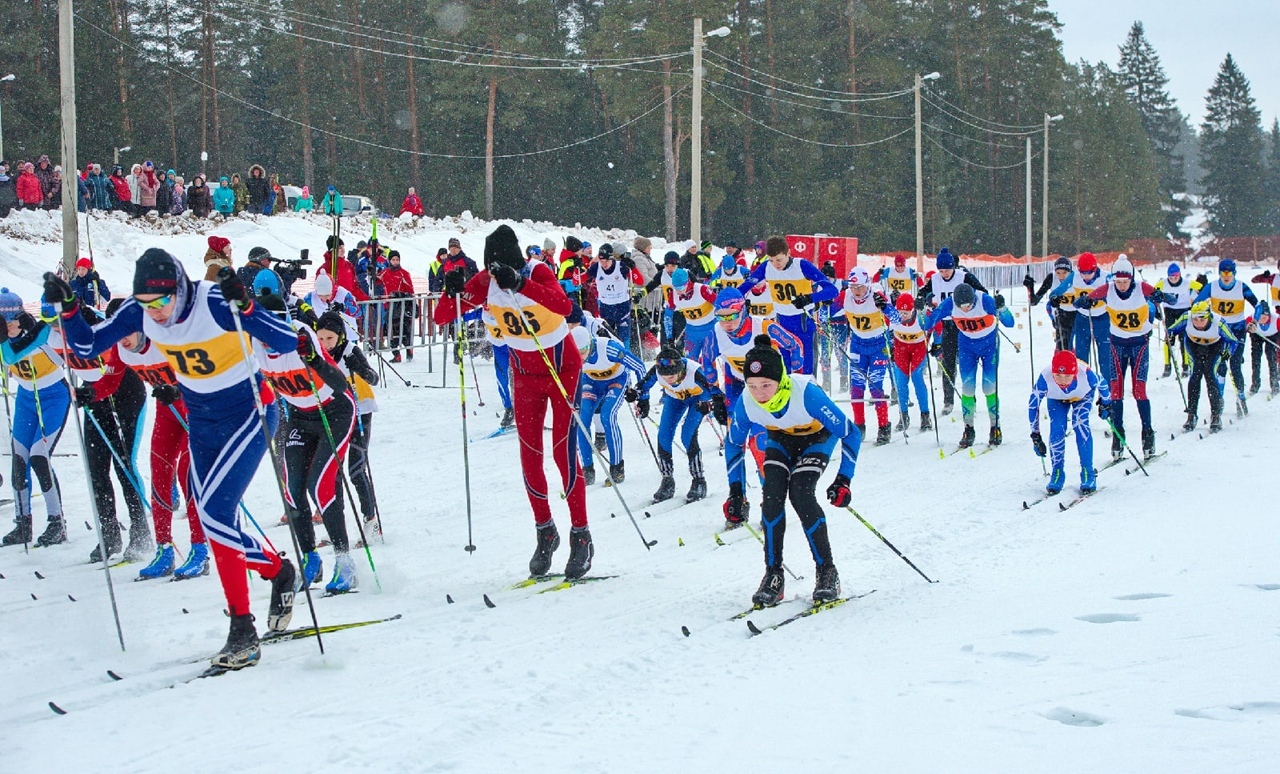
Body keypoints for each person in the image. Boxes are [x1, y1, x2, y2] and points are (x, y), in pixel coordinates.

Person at [52, 250, 299, 670]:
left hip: (249, 411)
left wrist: (249, 308)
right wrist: (71, 308)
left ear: (181, 289)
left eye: (162, 302)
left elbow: (286, 340)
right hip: (201, 418)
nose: (157, 313)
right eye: (147, 304)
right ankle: (278, 572)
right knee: (213, 516)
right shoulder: (139, 310)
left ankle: (243, 627)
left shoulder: (215, 302)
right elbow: (86, 344)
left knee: (216, 514)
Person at [435, 224, 593, 580]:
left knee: (562, 452)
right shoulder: (485, 281)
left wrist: (521, 284)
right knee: (529, 455)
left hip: (562, 370)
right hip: (524, 375)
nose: (494, 274)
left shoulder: (536, 270)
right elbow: (442, 316)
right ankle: (545, 530)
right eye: (491, 267)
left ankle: (581, 534)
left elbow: (564, 305)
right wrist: (453, 290)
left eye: (500, 267)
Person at [725, 335, 862, 607]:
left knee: (800, 492)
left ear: (781, 379)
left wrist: (843, 479)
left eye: (766, 384)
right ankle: (773, 575)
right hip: (782, 439)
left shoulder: (806, 392)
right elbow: (733, 444)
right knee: (772, 494)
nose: (760, 393)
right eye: (752, 386)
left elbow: (851, 433)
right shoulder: (746, 402)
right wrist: (736, 493)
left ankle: (827, 572)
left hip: (817, 439)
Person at [255, 295, 358, 594]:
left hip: (335, 411)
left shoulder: (302, 337)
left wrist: (312, 359)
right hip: (301, 416)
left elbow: (341, 384)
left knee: (321, 486)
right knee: (292, 487)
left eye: (277, 328)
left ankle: (344, 560)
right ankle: (311, 558)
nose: (270, 339)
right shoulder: (251, 345)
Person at [109, 298, 209, 580]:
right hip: (167, 411)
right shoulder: (122, 348)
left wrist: (178, 389)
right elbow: (110, 380)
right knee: (160, 474)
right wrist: (91, 393)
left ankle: (200, 550)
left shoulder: (166, 339)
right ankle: (164, 549)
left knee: (187, 475)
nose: (122, 339)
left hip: (197, 409)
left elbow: (201, 370)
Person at [56, 306, 152, 562]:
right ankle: (109, 535)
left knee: (124, 465)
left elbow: (119, 362)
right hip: (95, 397)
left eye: (60, 325)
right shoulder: (51, 334)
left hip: (126, 394)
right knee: (96, 468)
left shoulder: (96, 329)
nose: (57, 331)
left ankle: (140, 531)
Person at [0, 289, 71, 548]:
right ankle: (23, 522)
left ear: (19, 317)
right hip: (26, 399)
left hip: (54, 396)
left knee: (39, 455)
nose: (5, 327)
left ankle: (57, 522)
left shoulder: (38, 332)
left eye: (8, 322)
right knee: (19, 459)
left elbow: (11, 355)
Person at [1076, 255, 1163, 459]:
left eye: (1125, 281)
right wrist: (1086, 301)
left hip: (1139, 345)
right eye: (1118, 281)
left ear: (1131, 279)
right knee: (1116, 392)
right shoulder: (1109, 289)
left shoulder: (1141, 287)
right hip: (1117, 345)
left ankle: (1147, 434)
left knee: (1139, 390)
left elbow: (1159, 295)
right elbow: (1093, 296)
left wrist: (1162, 297)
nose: (1121, 285)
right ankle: (1118, 435)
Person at [921, 282, 1014, 448]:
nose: (964, 309)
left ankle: (995, 426)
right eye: (961, 307)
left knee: (988, 387)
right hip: (966, 346)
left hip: (989, 345)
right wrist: (923, 310)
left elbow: (1010, 322)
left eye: (969, 306)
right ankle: (968, 428)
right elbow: (926, 324)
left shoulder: (984, 300)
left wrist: (1002, 308)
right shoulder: (949, 303)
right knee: (968, 387)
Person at [314, 311, 381, 537]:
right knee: (332, 471)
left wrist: (359, 369)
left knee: (355, 468)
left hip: (361, 411)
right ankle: (335, 525)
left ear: (340, 335)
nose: (325, 343)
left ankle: (371, 519)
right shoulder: (317, 353)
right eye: (320, 338)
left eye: (329, 339)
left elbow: (374, 378)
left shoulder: (351, 350)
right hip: (335, 414)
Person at [628, 349, 722, 504]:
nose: (668, 380)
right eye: (665, 378)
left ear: (680, 370)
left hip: (697, 399)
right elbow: (644, 384)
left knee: (687, 435)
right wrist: (636, 394)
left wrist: (709, 404)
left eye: (671, 376)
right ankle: (667, 480)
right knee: (664, 436)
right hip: (675, 399)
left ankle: (699, 480)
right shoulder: (658, 370)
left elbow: (714, 390)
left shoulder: (695, 372)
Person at [739, 236, 838, 374]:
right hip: (782, 325)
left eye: (779, 259)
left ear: (788, 253)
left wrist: (809, 298)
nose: (776, 264)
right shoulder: (766, 267)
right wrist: (737, 303)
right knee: (786, 372)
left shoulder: (802, 265)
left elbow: (832, 291)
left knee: (807, 375)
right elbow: (743, 288)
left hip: (804, 323)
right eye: (772, 260)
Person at [570, 326, 645, 485]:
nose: (580, 356)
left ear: (590, 343)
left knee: (607, 416)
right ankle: (587, 469)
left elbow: (639, 366)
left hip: (616, 381)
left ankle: (617, 468)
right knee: (581, 420)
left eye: (583, 350)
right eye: (576, 352)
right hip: (591, 382)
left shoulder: (609, 349)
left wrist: (643, 396)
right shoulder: (571, 354)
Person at [917, 248, 988, 414]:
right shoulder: (935, 279)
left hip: (964, 324)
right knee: (947, 363)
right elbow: (922, 293)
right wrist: (922, 299)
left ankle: (970, 399)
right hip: (947, 326)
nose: (945, 274)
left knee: (965, 363)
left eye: (947, 270)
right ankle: (948, 401)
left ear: (953, 267)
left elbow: (982, 291)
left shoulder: (963, 276)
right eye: (941, 270)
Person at [1028, 350, 1110, 495]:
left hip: (1082, 396)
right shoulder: (1045, 377)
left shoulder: (1086, 374)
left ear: (1074, 373)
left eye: (1067, 376)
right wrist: (1035, 435)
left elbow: (1103, 385)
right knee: (1057, 429)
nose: (1062, 380)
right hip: (1056, 399)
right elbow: (1033, 406)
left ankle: (1088, 473)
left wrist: (1105, 403)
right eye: (1057, 375)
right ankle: (1057, 472)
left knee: (1080, 423)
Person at [840, 268, 899, 445]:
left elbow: (897, 319)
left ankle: (883, 427)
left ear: (867, 285)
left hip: (878, 346)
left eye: (860, 287)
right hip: (858, 346)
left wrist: (886, 308)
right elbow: (825, 307)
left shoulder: (877, 295)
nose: (856, 291)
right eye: (853, 287)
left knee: (875, 388)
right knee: (857, 390)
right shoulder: (845, 296)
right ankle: (859, 426)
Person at [1193, 258, 1258, 416]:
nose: (1226, 276)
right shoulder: (1212, 287)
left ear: (1234, 273)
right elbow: (1197, 304)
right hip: (1219, 331)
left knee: (1235, 365)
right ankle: (1219, 400)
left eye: (1229, 273)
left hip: (1237, 331)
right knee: (1220, 366)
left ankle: (1241, 399)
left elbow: (1258, 305)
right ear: (1219, 273)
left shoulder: (1242, 287)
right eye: (1223, 272)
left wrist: (1254, 321)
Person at [1168, 301, 1238, 433]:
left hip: (1214, 346)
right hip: (1193, 345)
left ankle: (1216, 415)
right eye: (1195, 319)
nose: (1198, 323)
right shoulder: (1186, 317)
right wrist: (1170, 335)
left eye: (1202, 319)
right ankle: (1192, 414)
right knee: (1195, 376)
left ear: (1208, 316)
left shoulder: (1218, 322)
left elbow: (1233, 340)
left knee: (1210, 376)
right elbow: (1171, 329)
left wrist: (1228, 352)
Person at [1047, 252, 1111, 382]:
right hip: (1082, 319)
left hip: (1102, 319)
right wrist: (1054, 297)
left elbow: (1115, 297)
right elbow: (1058, 291)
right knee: (1081, 360)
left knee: (1104, 359)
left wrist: (1099, 298)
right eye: (1083, 273)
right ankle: (1082, 390)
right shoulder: (1074, 276)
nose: (1086, 277)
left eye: (1089, 273)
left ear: (1095, 269)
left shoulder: (1105, 277)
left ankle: (1107, 394)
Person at [585, 243, 643, 353]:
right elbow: (578, 280)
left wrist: (633, 268)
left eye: (606, 261)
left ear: (612, 258)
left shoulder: (621, 266)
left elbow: (639, 281)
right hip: (606, 308)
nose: (604, 264)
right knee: (606, 338)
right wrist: (576, 272)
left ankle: (626, 359)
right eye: (601, 261)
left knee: (624, 338)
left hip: (622, 307)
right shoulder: (596, 267)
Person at [890, 292, 932, 432]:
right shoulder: (892, 317)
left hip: (918, 349)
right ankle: (904, 416)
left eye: (906, 313)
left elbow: (937, 327)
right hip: (901, 349)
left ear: (913, 310)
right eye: (900, 312)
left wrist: (938, 344)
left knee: (917, 378)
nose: (903, 316)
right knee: (900, 383)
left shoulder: (920, 315)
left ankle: (925, 415)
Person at [667, 267, 719, 363]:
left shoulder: (701, 289)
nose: (678, 291)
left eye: (681, 287)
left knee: (708, 362)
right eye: (675, 287)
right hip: (691, 332)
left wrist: (721, 322)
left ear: (687, 282)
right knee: (690, 363)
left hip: (709, 329)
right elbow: (667, 316)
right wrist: (669, 337)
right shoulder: (673, 295)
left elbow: (719, 304)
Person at [1025, 256, 1074, 350]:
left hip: (1077, 315)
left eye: (1065, 273)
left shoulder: (1076, 277)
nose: (1061, 276)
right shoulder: (1052, 278)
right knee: (1063, 347)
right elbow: (1034, 301)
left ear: (1070, 272)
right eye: (1058, 273)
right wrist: (1030, 288)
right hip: (1061, 315)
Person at [1155, 262, 1194, 377]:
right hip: (1170, 312)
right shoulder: (1162, 284)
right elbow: (1152, 293)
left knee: (1184, 339)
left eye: (1176, 277)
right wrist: (1156, 308)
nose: (1173, 279)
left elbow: (1201, 288)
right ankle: (1167, 366)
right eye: (1171, 277)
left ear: (1180, 275)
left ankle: (1186, 366)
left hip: (1184, 312)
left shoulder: (1188, 283)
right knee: (1169, 339)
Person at [379, 250, 416, 362]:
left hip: (401, 307)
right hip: (388, 306)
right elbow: (375, 282)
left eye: (397, 260)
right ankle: (396, 354)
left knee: (405, 330)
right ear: (389, 261)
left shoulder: (403, 273)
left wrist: (401, 294)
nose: (395, 262)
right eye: (393, 260)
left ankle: (409, 350)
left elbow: (410, 290)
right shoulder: (384, 273)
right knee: (390, 332)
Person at [1246, 302, 1278, 397]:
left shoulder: (1276, 319)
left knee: (1271, 359)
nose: (1262, 320)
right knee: (1255, 360)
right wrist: (1248, 328)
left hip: (1272, 336)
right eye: (1260, 318)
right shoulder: (1251, 318)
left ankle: (1274, 385)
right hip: (1257, 336)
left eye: (1264, 318)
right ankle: (1255, 385)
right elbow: (1242, 327)